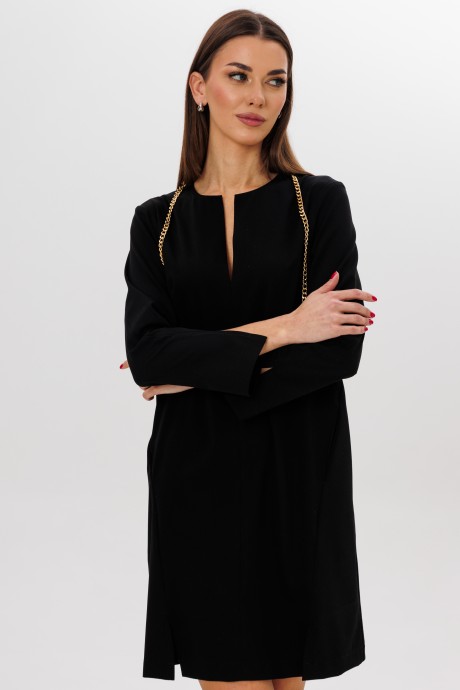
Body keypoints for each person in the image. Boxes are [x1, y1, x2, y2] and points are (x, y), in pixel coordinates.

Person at [121, 8, 376, 690]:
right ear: (199, 87)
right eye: (239, 76)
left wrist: (196, 368)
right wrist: (287, 326)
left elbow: (339, 353)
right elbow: (147, 354)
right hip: (197, 474)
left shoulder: (319, 203)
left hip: (301, 467)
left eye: (275, 80)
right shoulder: (156, 222)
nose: (259, 96)